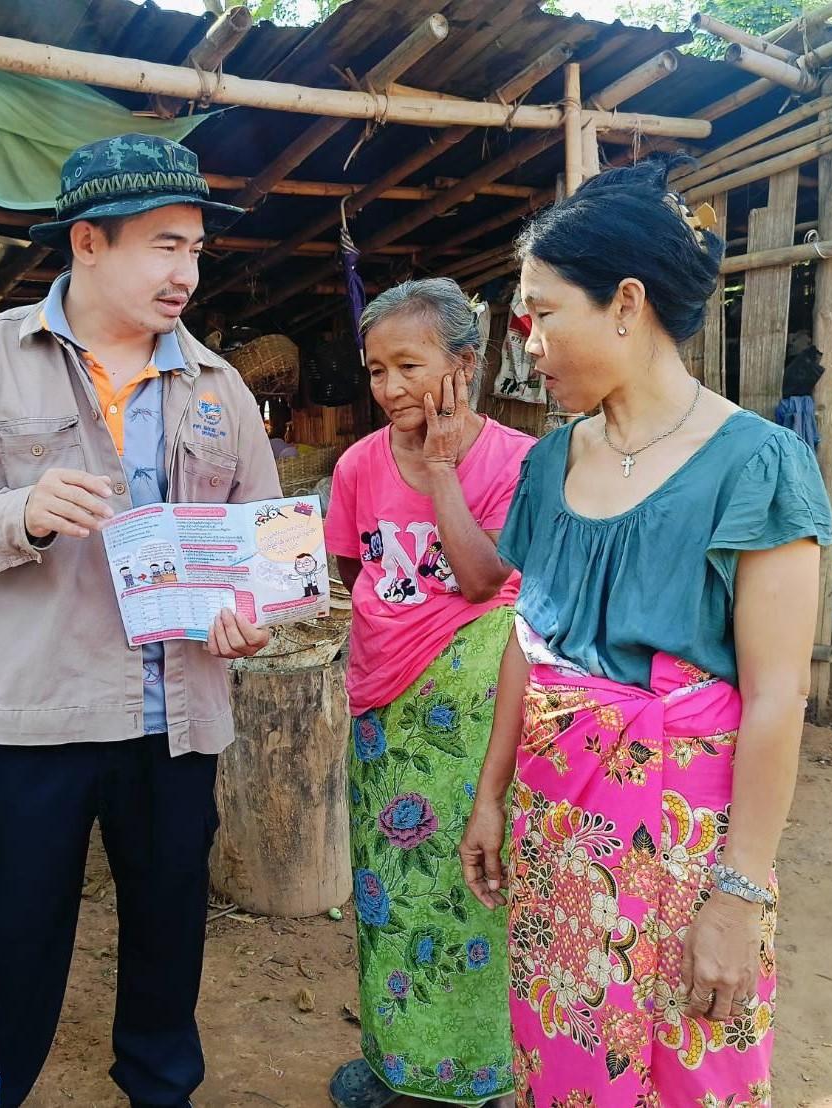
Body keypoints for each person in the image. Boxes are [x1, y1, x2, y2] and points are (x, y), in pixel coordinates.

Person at [0, 134, 281, 1108]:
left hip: (176, 715)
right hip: (35, 715)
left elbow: (268, 551)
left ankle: (160, 1091)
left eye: (194, 248)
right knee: (14, 940)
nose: (185, 270)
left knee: (167, 937)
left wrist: (251, 612)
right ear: (88, 243)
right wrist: (14, 514)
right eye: (163, 245)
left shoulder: (218, 388)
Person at [460, 158, 832, 1107]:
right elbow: (525, 643)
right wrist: (491, 792)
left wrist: (737, 895)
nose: (529, 346)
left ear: (625, 303)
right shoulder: (549, 464)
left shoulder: (759, 466)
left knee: (684, 1070)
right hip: (555, 824)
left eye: (543, 315)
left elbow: (778, 694)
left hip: (684, 847)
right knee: (563, 1053)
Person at [324, 278, 535, 1108]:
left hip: (475, 706)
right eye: (375, 371)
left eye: (408, 365)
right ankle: (399, 1065)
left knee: (468, 882)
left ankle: (476, 1073)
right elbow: (357, 572)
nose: (389, 389)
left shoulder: (518, 462)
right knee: (387, 887)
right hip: (383, 705)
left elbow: (484, 579)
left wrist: (442, 471)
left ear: (464, 365)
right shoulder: (353, 466)